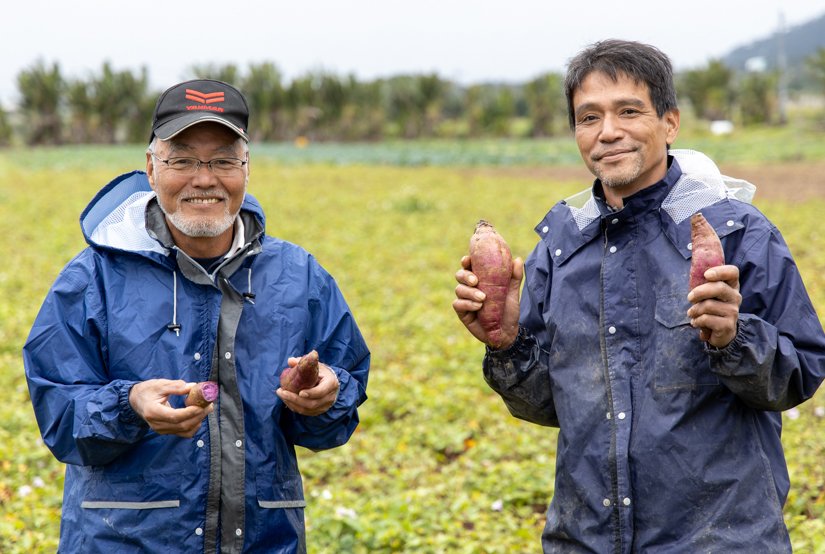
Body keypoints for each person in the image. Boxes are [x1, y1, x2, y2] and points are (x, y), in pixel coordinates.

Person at [453, 39, 825, 552]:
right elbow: (552, 406)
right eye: (589, 117)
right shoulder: (560, 247)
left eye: (629, 111)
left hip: (718, 538)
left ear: (669, 122)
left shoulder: (737, 232)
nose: (608, 132)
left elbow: (800, 373)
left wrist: (733, 338)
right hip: (585, 538)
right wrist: (507, 342)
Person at [23, 79, 370, 553]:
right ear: (150, 167)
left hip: (264, 541)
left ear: (247, 169)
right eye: (182, 159)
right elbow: (59, 417)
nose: (204, 179)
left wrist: (326, 396)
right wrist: (129, 406)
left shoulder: (299, 276)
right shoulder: (92, 280)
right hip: (120, 542)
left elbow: (334, 409)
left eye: (223, 160)